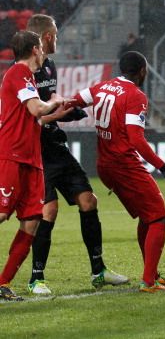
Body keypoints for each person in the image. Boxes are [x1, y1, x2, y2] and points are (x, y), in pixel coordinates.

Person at [24, 14, 128, 295]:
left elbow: (49, 109)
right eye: (55, 35)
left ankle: (99, 271)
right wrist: (58, 112)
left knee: (88, 200)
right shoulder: (23, 73)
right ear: (46, 37)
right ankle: (36, 278)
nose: (57, 39)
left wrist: (67, 112)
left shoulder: (50, 68)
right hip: (35, 151)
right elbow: (28, 119)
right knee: (49, 209)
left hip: (55, 146)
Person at [69, 51, 165, 293]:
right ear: (142, 71)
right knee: (159, 217)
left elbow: (74, 101)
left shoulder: (102, 87)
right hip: (123, 164)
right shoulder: (135, 95)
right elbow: (136, 138)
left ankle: (151, 274)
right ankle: (149, 282)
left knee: (148, 216)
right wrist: (164, 167)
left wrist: (74, 111)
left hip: (105, 164)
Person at [0, 30, 68, 301]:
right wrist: (54, 101)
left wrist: (59, 112)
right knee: (2, 214)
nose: (44, 52)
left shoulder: (26, 78)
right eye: (41, 47)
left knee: (31, 221)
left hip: (31, 159)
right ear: (34, 49)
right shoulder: (17, 72)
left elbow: (35, 119)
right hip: (13, 155)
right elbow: (36, 109)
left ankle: (3, 283)